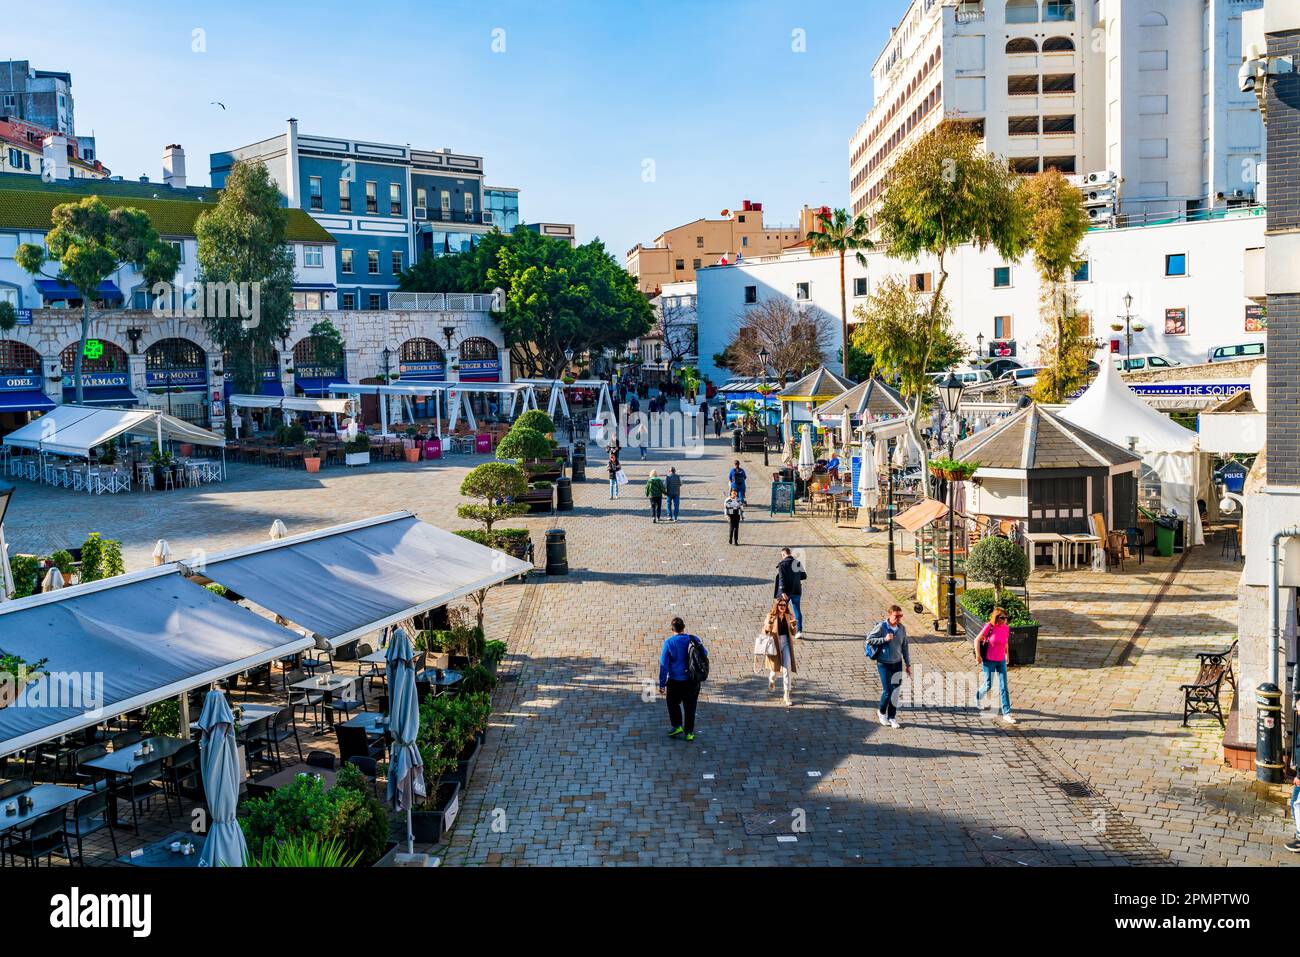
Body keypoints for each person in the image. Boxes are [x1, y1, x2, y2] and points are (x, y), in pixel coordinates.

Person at [658, 617, 707, 741]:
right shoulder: (693, 639)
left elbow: (664, 664)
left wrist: (662, 683)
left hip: (675, 681)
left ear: (672, 629)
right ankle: (689, 732)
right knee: (690, 707)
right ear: (684, 627)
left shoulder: (669, 643)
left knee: (672, 703)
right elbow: (704, 653)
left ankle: (677, 726)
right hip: (692, 681)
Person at [865, 605, 911, 728]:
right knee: (888, 691)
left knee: (895, 691)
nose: (899, 619)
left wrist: (908, 664)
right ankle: (881, 712)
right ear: (890, 615)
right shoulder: (881, 627)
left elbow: (905, 646)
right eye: (896, 616)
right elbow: (869, 639)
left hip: (897, 663)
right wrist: (884, 639)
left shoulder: (902, 628)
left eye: (901, 616)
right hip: (883, 663)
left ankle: (892, 717)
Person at [974, 607, 1016, 724]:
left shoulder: (1006, 628)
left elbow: (1005, 642)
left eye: (1006, 618)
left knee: (1004, 687)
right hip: (989, 660)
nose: (1004, 620)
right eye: (1002, 618)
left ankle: (1006, 713)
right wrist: (978, 655)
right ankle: (978, 696)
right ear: (996, 617)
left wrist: (1007, 655)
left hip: (1001, 660)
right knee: (988, 684)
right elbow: (977, 640)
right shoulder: (989, 627)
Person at [762, 596, 799, 705]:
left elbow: (793, 633)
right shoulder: (771, 616)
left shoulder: (789, 616)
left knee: (787, 669)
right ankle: (772, 679)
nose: (783, 607)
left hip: (786, 644)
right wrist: (768, 624)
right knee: (775, 671)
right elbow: (765, 632)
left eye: (784, 605)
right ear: (777, 606)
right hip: (775, 644)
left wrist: (793, 625)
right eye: (780, 605)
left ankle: (786, 695)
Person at [773, 547, 807, 634]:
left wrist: (783, 591)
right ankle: (799, 631)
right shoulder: (797, 563)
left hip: (786, 592)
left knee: (782, 610)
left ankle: (784, 629)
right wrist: (795, 578)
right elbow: (804, 576)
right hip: (796, 590)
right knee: (797, 610)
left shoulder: (782, 564)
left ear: (784, 554)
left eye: (782, 555)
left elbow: (782, 579)